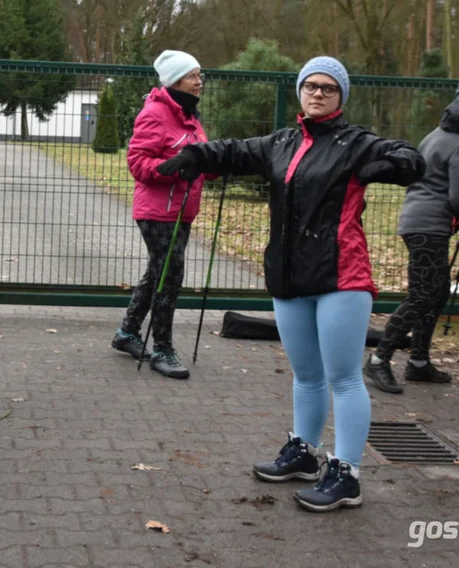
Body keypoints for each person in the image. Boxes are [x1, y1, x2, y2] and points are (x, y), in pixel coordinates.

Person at [158, 56, 425, 511]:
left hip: (341, 275)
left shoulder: (356, 143)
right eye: (310, 86)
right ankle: (303, 452)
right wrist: (194, 156)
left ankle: (346, 473)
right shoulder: (280, 143)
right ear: (300, 90)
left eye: (328, 88)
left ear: (340, 96)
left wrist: (392, 166)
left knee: (342, 378)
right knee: (306, 375)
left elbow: (409, 158)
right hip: (288, 275)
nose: (318, 93)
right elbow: (231, 151)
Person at [364, 78, 459, 394]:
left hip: (416, 222)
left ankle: (419, 362)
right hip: (430, 227)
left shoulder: (437, 136)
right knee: (423, 295)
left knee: (434, 293)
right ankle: (379, 359)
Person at [111, 50, 211, 379]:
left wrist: (212, 166)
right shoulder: (155, 113)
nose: (199, 81)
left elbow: (197, 158)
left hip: (183, 211)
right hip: (157, 212)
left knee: (157, 272)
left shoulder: (188, 114)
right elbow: (137, 163)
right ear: (175, 80)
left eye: (200, 75)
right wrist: (174, 170)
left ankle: (127, 334)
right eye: (193, 76)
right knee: (170, 276)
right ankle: (163, 349)